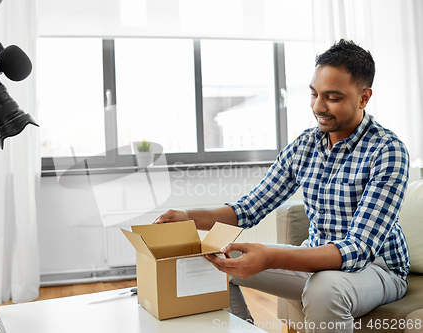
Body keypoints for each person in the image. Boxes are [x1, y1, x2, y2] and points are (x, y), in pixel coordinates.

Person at [154, 39, 410, 333]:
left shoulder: (387, 151)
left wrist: (270, 257)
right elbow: (250, 208)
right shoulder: (305, 145)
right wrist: (190, 217)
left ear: (364, 97)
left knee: (325, 288)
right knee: (218, 259)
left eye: (333, 97)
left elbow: (357, 250)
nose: (317, 106)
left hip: (376, 268)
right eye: (314, 94)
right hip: (318, 257)